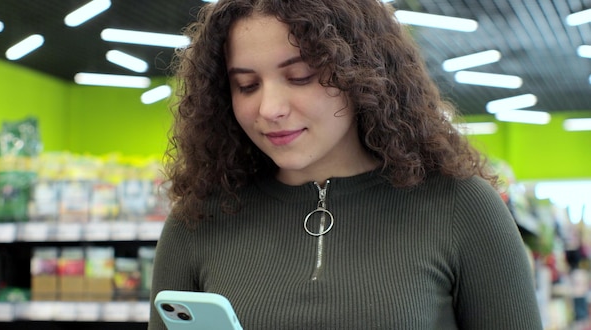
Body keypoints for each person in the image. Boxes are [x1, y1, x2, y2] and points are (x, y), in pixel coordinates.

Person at [149, 0, 543, 329]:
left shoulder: (462, 207)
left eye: (301, 76)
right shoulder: (198, 220)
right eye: (247, 86)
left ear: (362, 73)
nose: (269, 109)